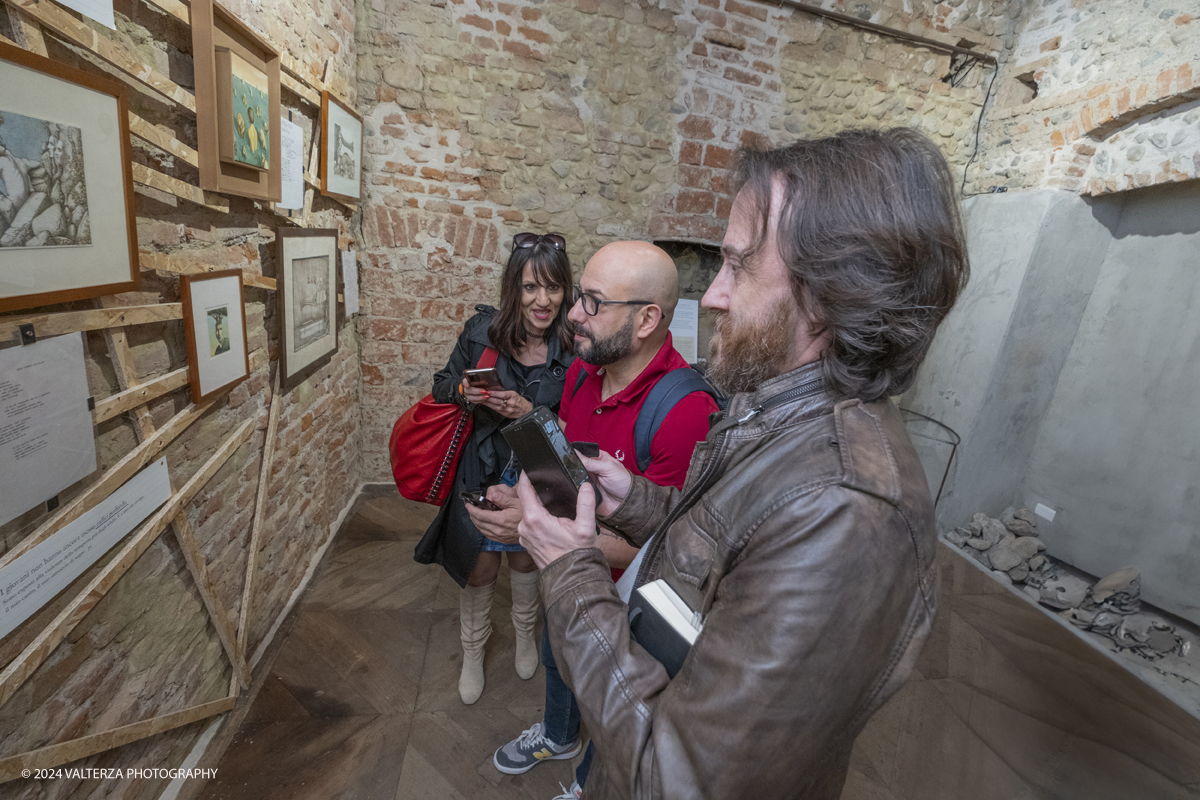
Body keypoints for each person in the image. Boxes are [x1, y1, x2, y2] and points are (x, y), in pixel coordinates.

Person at [513, 128, 970, 799]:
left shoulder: (845, 510)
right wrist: (634, 499)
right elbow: (738, 550)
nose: (715, 296)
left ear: (828, 295)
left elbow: (679, 781)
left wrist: (569, 570)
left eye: (738, 266)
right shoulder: (782, 413)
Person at [465, 241, 720, 794]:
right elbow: (565, 468)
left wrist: (541, 537)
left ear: (647, 318)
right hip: (571, 577)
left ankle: (587, 783)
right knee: (561, 660)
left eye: (592, 302)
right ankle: (559, 733)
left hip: (630, 607)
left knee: (618, 710)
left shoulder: (683, 413)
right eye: (578, 296)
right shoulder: (584, 369)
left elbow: (671, 554)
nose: (572, 313)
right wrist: (527, 502)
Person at [414, 231, 576, 705]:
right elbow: (442, 384)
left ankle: (525, 635)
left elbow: (580, 428)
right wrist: (465, 392)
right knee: (480, 566)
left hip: (537, 473)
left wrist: (529, 411)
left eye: (553, 288)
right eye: (530, 288)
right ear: (514, 289)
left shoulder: (572, 348)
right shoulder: (480, 333)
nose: (542, 300)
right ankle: (472, 651)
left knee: (526, 557)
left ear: (566, 290)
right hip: (480, 468)